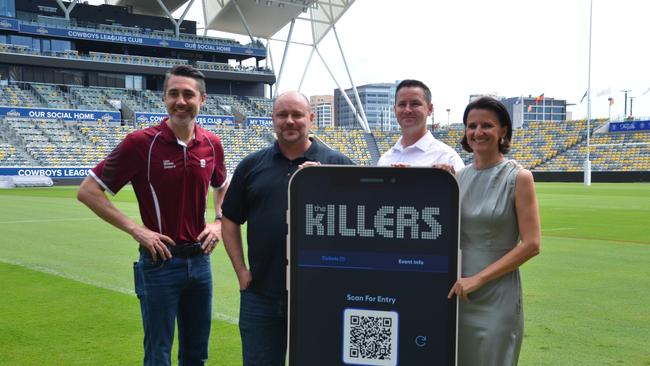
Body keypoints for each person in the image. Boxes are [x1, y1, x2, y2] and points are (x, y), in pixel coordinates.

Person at [77, 65, 228, 366]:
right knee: (158, 354)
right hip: (160, 263)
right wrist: (137, 230)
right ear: (164, 99)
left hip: (200, 262)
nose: (180, 101)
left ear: (203, 100)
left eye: (188, 94)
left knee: (196, 353)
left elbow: (222, 185)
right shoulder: (141, 144)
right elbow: (88, 191)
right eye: (174, 94)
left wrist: (218, 222)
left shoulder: (212, 143)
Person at [221, 91, 354, 366]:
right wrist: (241, 271)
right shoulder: (251, 165)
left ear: (311, 118)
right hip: (261, 294)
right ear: (273, 119)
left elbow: (358, 225)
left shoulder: (337, 164)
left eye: (297, 115)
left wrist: (325, 184)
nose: (290, 121)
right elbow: (230, 219)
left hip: (319, 296)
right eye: (282, 115)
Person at [447, 96, 541, 366]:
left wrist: (479, 279)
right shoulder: (456, 179)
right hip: (458, 294)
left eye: (487, 125)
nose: (478, 132)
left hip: (497, 297)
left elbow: (532, 244)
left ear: (503, 131)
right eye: (472, 125)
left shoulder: (519, 178)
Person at [377, 79, 465, 172]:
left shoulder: (447, 158)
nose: (407, 110)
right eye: (402, 104)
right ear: (395, 110)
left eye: (415, 104)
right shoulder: (385, 161)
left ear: (430, 109)